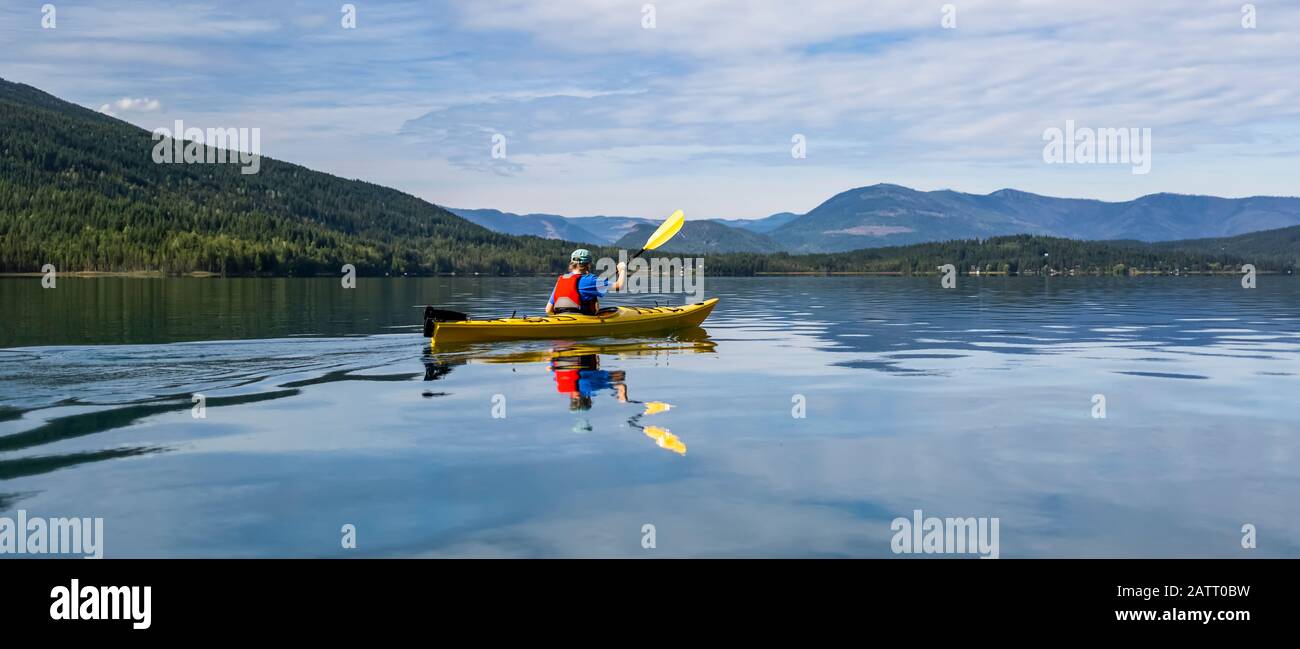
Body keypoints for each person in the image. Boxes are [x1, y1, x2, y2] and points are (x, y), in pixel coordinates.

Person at [546, 249, 626, 315]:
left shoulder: (562, 280)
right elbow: (620, 286)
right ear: (588, 265)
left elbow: (548, 310)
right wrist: (622, 269)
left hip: (560, 318)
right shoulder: (590, 280)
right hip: (582, 319)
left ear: (572, 263)